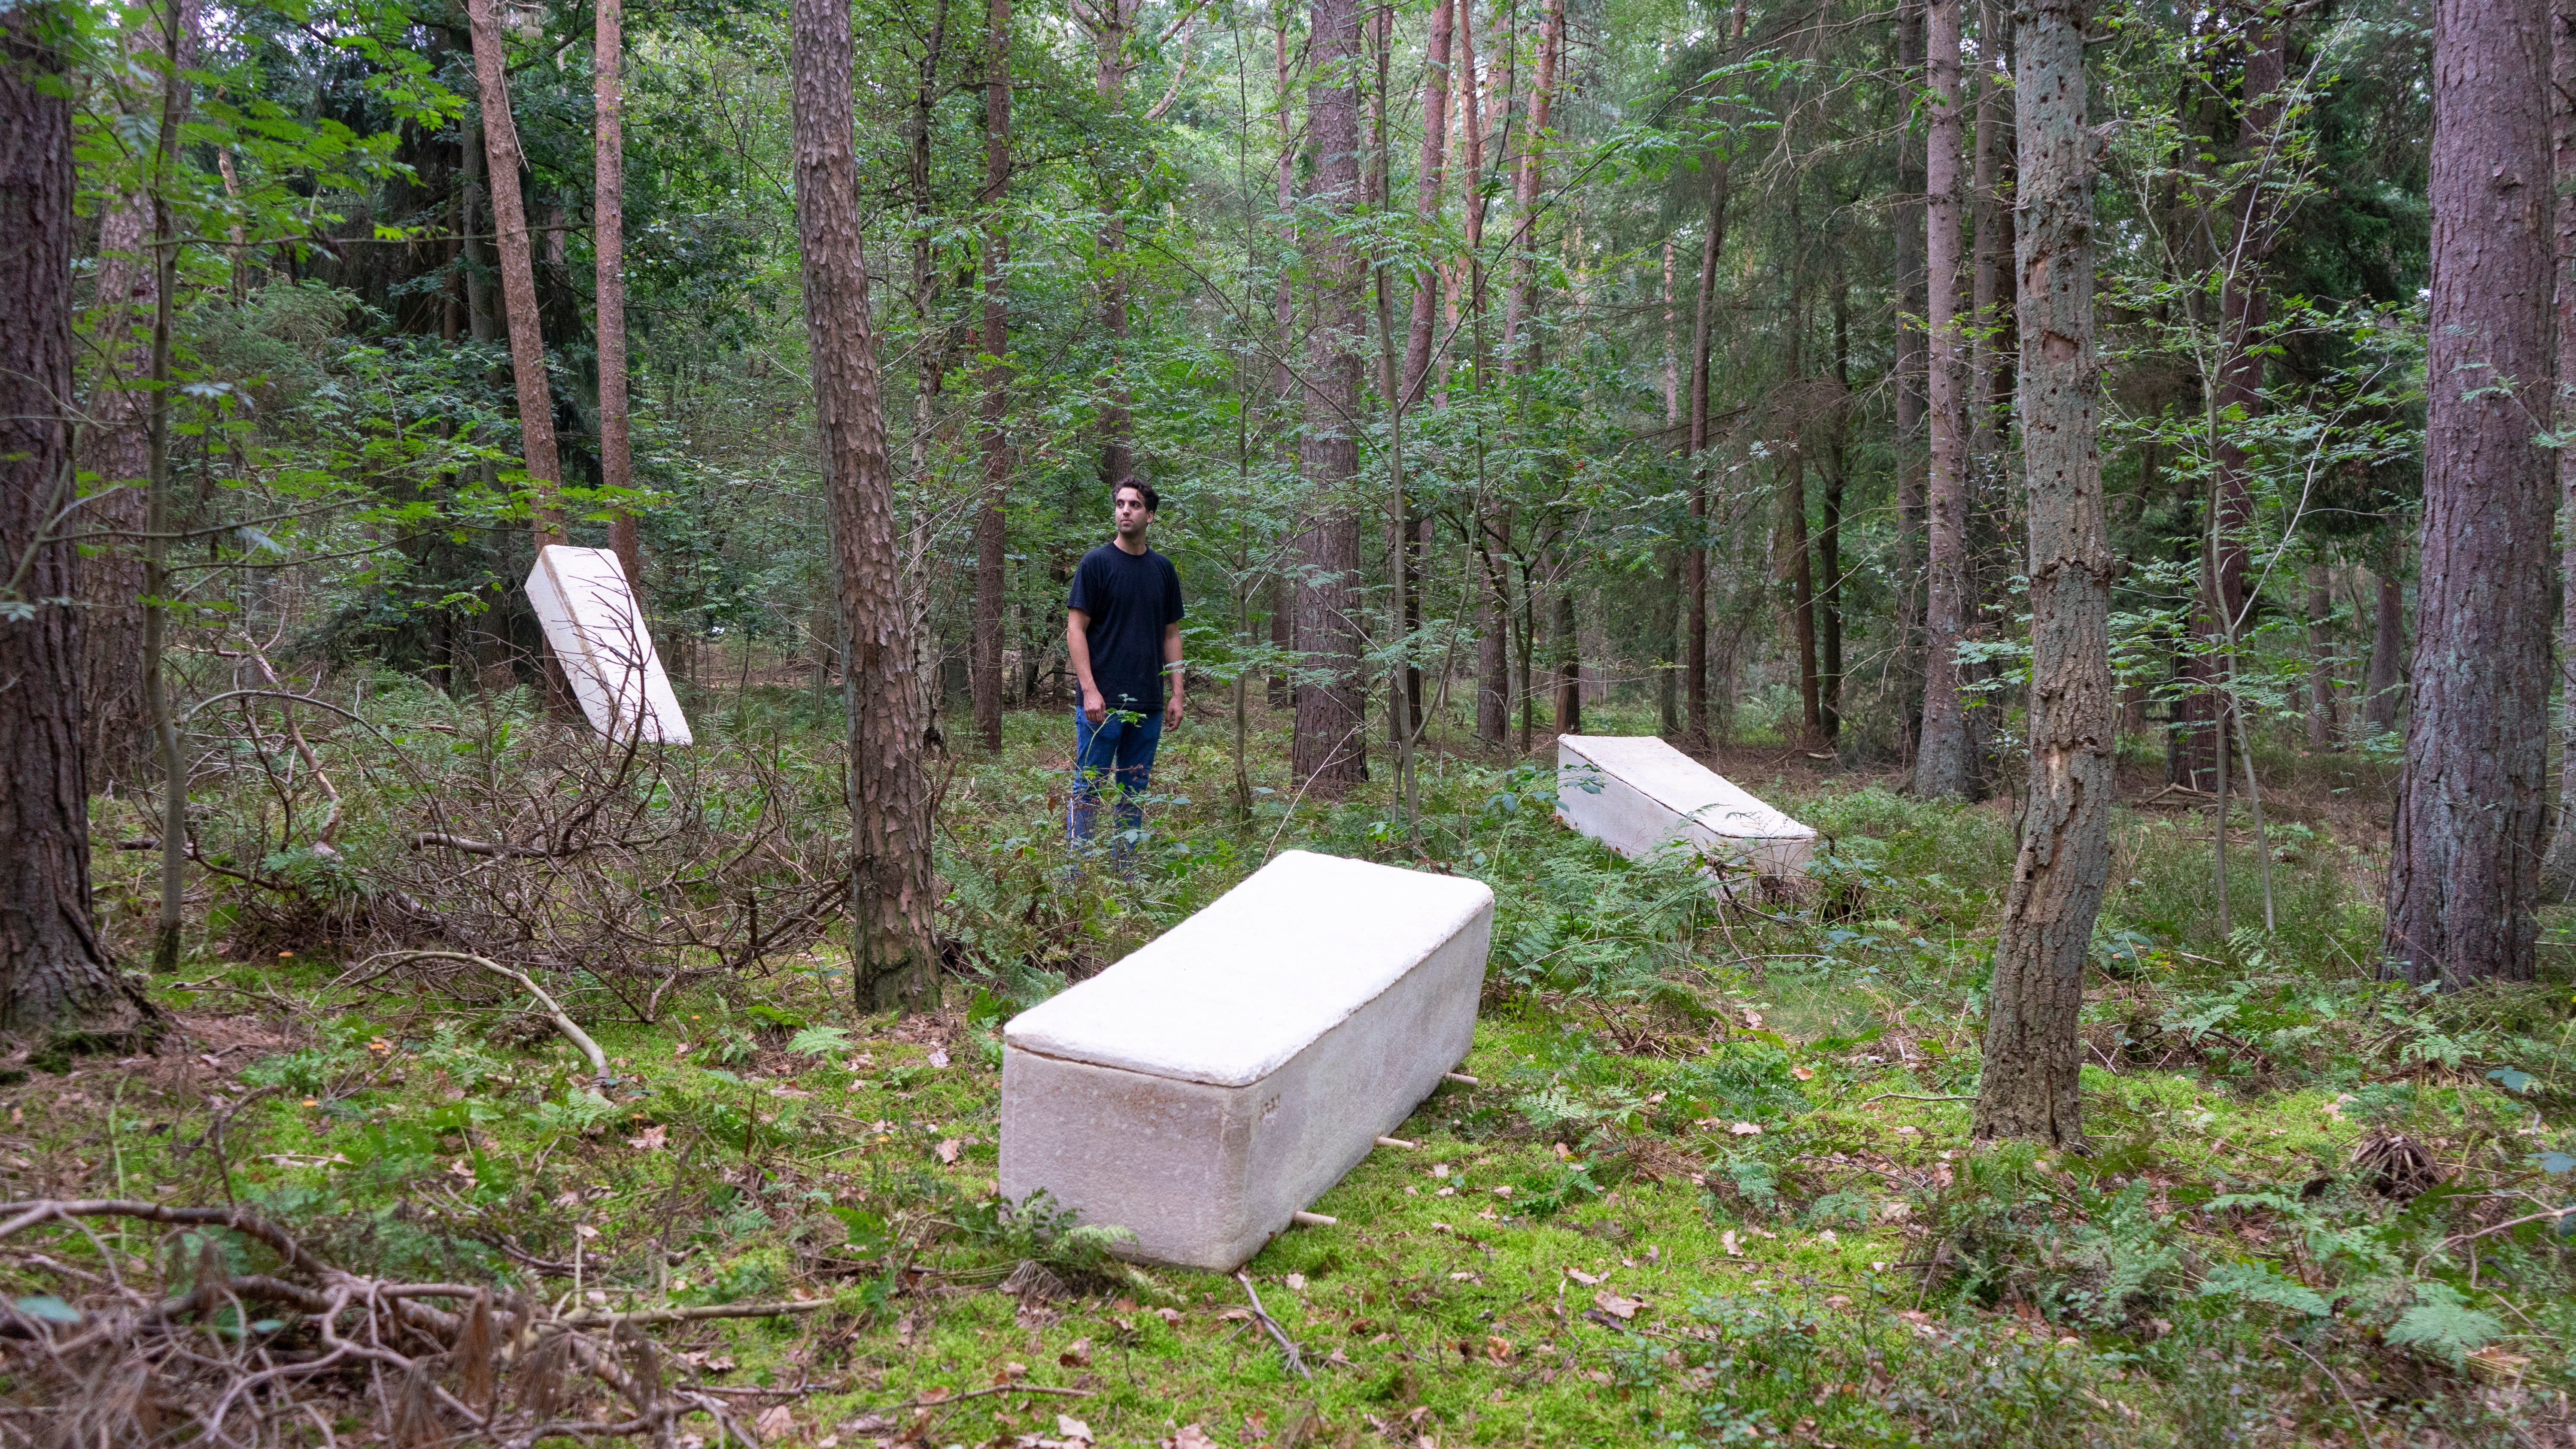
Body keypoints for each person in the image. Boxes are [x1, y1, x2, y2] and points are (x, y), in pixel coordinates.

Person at [1066, 479, 1185, 861]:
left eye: (1134, 505)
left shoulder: (1163, 570)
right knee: (1089, 792)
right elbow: (1076, 629)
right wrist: (1090, 690)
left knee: (1134, 790)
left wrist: (1177, 692)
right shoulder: (1096, 564)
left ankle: (1126, 872)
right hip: (1101, 706)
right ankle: (1078, 878)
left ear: (1150, 515)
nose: (1125, 511)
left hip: (1148, 704)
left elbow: (1171, 634)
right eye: (1120, 504)